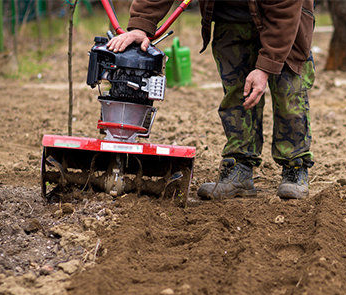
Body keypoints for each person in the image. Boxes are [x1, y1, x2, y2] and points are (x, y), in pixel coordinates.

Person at [108, 0, 315, 199]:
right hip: (230, 20)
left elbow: (285, 9)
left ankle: (295, 167)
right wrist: (140, 26)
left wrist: (265, 67)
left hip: (287, 22)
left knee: (289, 94)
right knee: (237, 93)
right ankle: (239, 168)